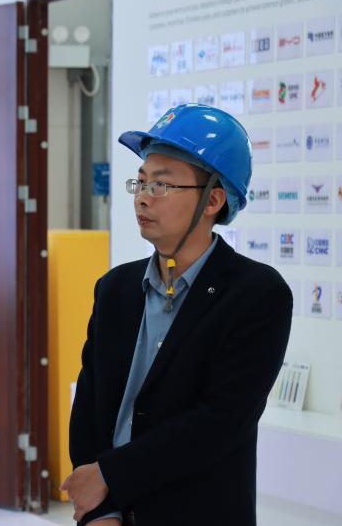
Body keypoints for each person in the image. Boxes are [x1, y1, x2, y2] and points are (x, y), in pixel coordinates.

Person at [60, 104, 292, 526]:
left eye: (162, 185)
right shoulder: (115, 289)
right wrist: (99, 512)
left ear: (213, 200)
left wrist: (110, 475)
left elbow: (219, 423)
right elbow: (90, 409)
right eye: (141, 181)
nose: (143, 196)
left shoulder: (257, 294)